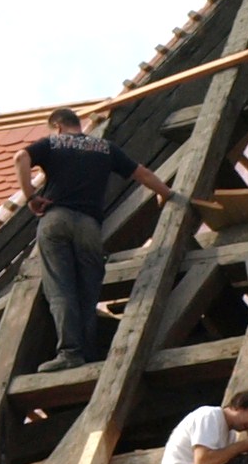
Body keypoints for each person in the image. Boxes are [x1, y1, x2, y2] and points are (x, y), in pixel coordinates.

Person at [19, 107, 177, 371]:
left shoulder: (52, 143)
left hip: (56, 219)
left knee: (61, 288)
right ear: (77, 124)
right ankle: (88, 352)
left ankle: (70, 352)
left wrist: (30, 196)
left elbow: (20, 156)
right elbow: (143, 174)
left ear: (57, 126)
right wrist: (165, 193)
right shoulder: (105, 148)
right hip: (90, 227)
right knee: (88, 290)